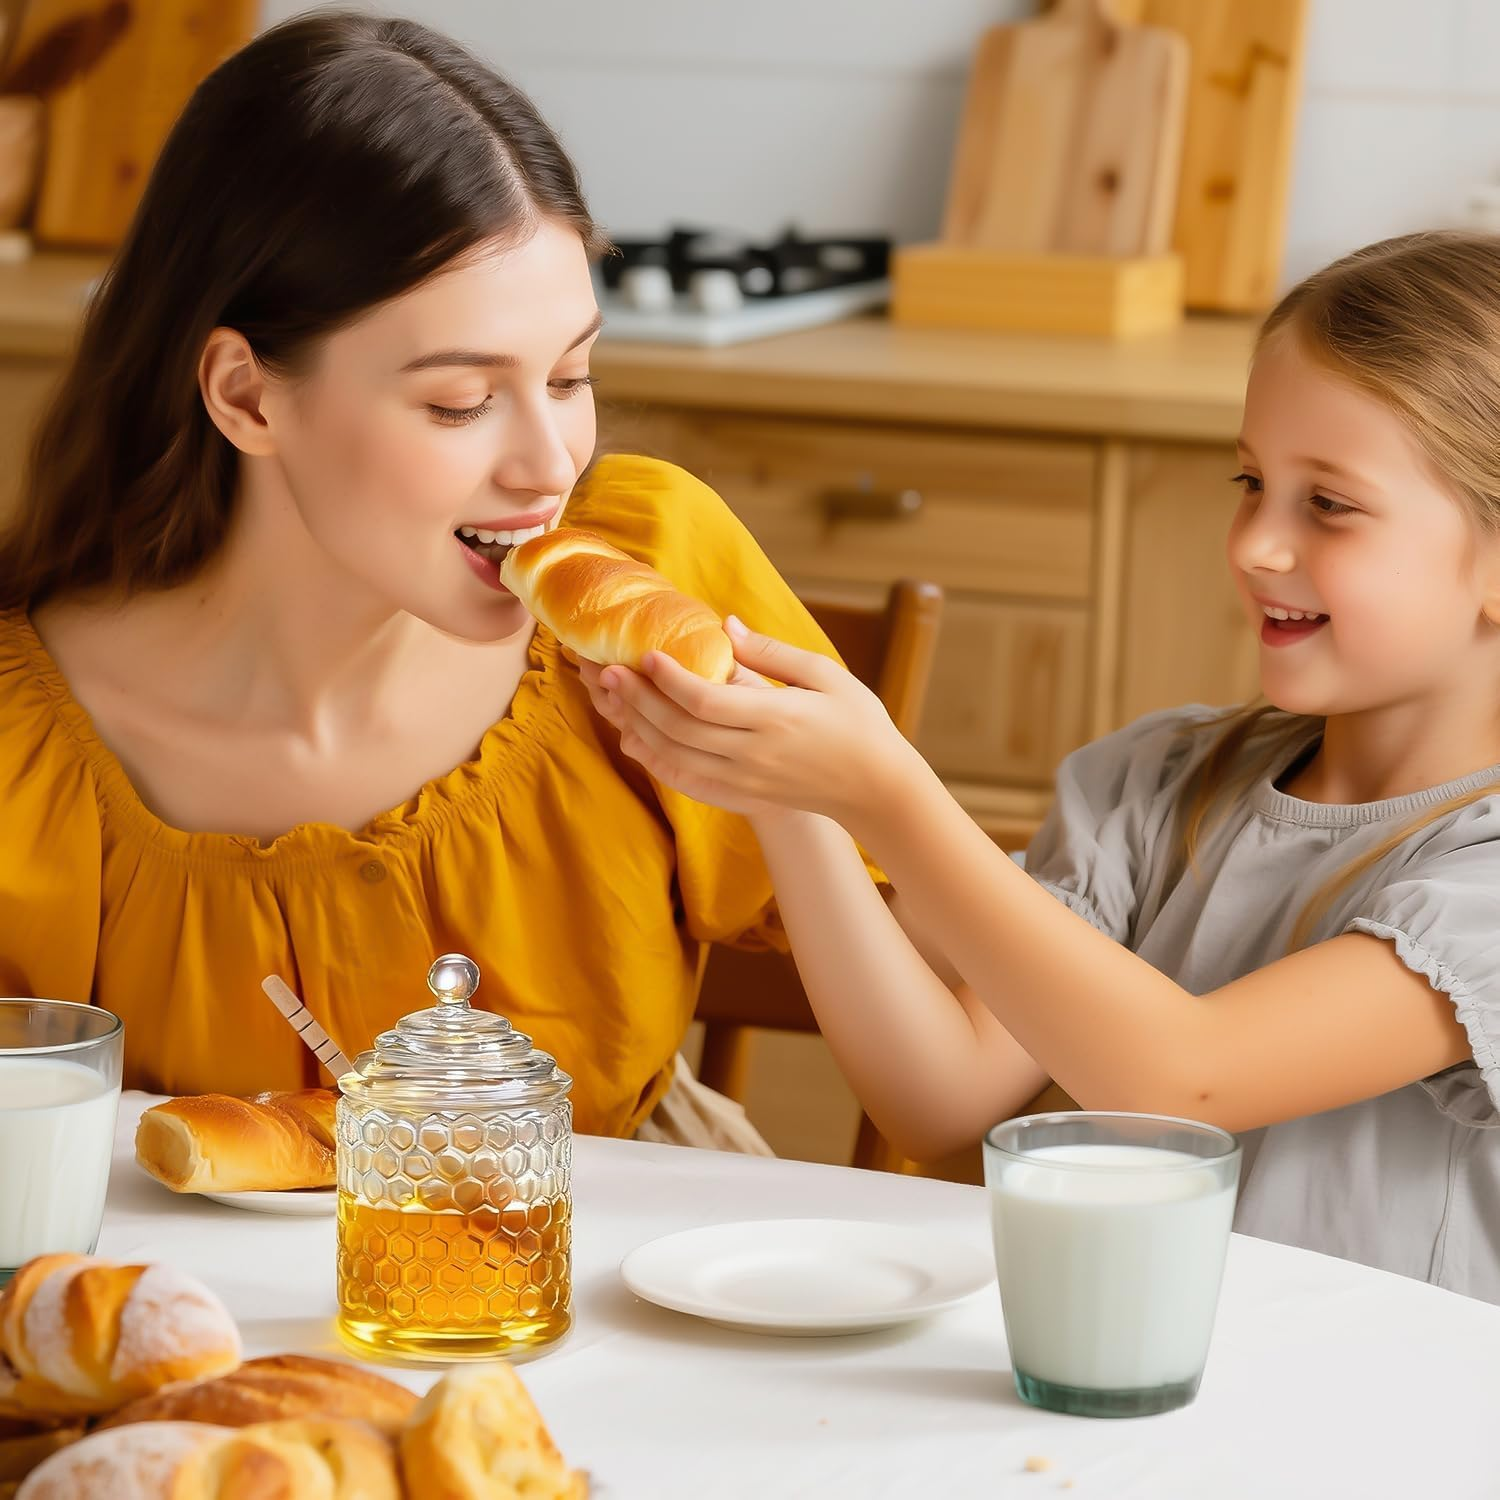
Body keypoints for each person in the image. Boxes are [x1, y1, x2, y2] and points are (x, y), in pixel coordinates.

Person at [0, 10, 913, 1146]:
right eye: (459, 403)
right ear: (246, 396)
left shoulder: (651, 576)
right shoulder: (21, 761)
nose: (549, 465)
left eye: (571, 377)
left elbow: (934, 1069)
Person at [587, 230, 1500, 1300]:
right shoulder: (1155, 783)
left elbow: (1184, 1076)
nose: (1255, 541)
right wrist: (792, 804)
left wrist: (887, 795)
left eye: (1328, 504)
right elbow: (939, 1099)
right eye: (1251, 481)